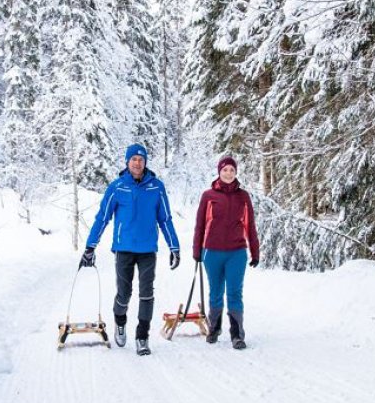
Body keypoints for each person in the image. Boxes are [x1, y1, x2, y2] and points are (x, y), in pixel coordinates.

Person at [80, 143, 181, 356]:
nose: (137, 163)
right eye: (133, 159)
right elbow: (102, 217)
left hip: (147, 250)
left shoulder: (156, 187)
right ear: (127, 162)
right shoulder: (117, 187)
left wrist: (174, 247)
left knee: (147, 293)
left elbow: (165, 219)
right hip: (124, 248)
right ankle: (120, 321)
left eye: (141, 159)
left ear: (145, 163)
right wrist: (90, 246)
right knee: (124, 294)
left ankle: (142, 337)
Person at [192, 156, 259, 350]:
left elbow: (250, 226)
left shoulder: (243, 197)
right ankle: (214, 328)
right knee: (215, 292)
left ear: (236, 172)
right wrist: (197, 251)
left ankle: (237, 334)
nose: (228, 173)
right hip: (212, 252)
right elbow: (200, 226)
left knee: (234, 293)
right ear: (219, 172)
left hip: (236, 253)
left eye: (231, 170)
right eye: (225, 170)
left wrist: (255, 252)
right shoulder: (208, 196)